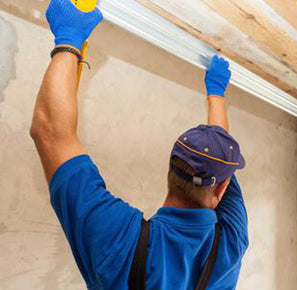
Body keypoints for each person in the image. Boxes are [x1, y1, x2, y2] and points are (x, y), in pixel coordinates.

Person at [30, 1, 248, 289]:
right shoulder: (231, 240)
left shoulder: (122, 243)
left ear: (170, 168)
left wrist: (69, 38)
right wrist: (216, 94)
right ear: (220, 188)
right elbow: (49, 133)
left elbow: (51, 132)